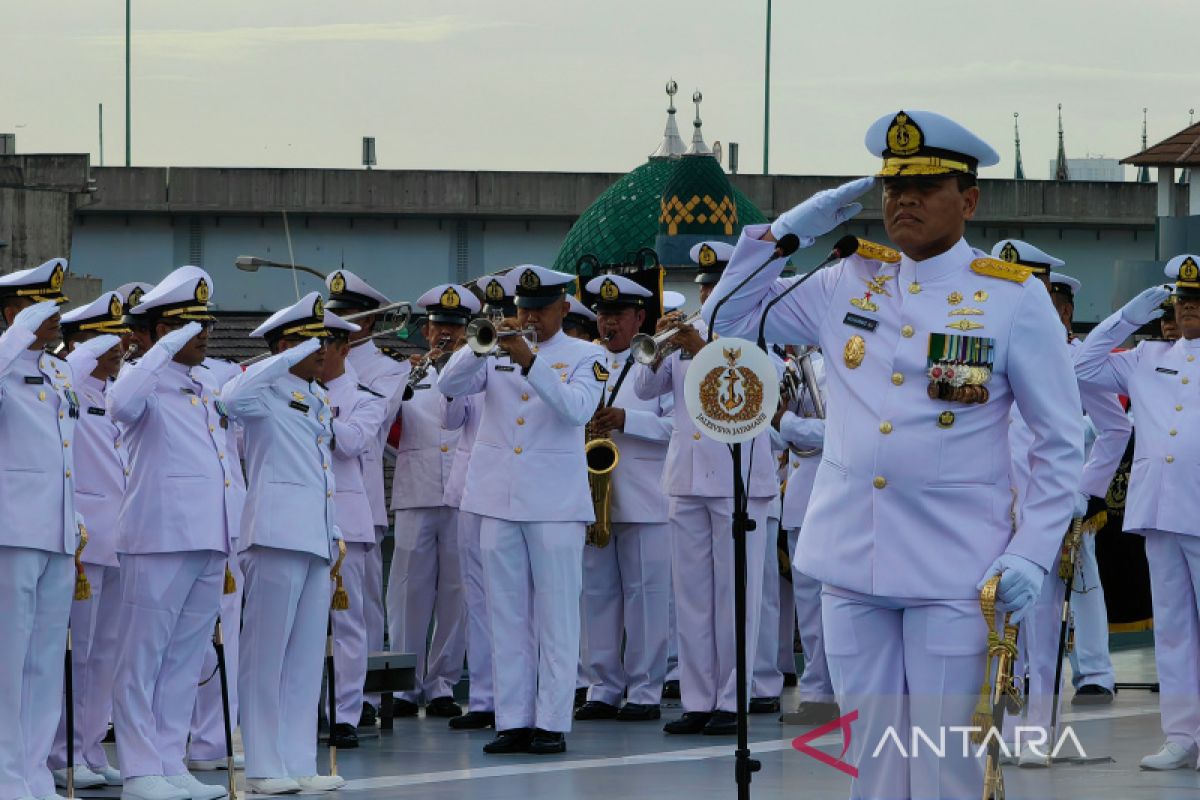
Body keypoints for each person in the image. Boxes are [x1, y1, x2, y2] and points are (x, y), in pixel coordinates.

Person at [702, 110, 1082, 799]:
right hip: (851, 561)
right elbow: (724, 320)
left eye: (924, 186)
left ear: (967, 200)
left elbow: (1059, 444)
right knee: (872, 765)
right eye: (891, 188)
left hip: (954, 569)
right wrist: (790, 229)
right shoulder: (847, 280)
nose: (901, 201)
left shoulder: (1014, 298)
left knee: (945, 767)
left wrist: (1030, 551)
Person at [437, 264, 605, 755]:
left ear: (564, 308)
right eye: (522, 309)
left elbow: (576, 409)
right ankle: (513, 718)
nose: (528, 317)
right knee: (504, 613)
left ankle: (551, 720)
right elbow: (449, 387)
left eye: (538, 310)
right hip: (496, 497)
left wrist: (530, 360)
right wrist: (477, 346)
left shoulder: (587, 356)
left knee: (556, 616)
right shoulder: (493, 349)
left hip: (554, 503)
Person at [633, 241, 778, 737]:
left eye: (718, 286)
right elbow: (644, 392)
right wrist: (657, 349)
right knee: (692, 596)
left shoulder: (760, 331)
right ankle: (697, 700)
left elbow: (761, 392)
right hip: (686, 477)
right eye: (705, 286)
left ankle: (733, 700)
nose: (709, 293)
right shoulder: (683, 332)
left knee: (735, 596)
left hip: (737, 481)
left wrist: (704, 349)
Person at [108, 267, 238, 800]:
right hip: (158, 537)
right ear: (164, 331)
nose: (203, 334)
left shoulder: (202, 383)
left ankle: (169, 759)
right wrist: (162, 348)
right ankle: (140, 769)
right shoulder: (141, 378)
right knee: (143, 658)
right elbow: (119, 406)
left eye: (204, 324)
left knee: (187, 657)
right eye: (190, 325)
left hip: (207, 536)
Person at [1072, 256, 1200, 771]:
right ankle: (1183, 734)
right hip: (1159, 507)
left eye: (1197, 303)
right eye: (1182, 302)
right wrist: (1126, 316)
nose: (1188, 310)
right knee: (1171, 629)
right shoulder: (1146, 356)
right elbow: (1080, 367)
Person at [223, 293, 354, 794]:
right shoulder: (264, 393)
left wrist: (333, 530)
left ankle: (299, 761)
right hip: (275, 535)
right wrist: (278, 357)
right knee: (265, 656)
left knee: (303, 658)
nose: (325, 350)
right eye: (312, 341)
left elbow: (320, 473)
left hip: (315, 539)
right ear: (284, 345)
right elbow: (230, 400)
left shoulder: (315, 396)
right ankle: (261, 765)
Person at [574, 274, 673, 722]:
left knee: (646, 596)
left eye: (616, 316)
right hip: (593, 498)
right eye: (601, 314)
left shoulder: (658, 362)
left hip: (645, 496)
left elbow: (678, 428)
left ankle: (645, 690)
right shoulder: (583, 361)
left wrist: (625, 419)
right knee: (596, 594)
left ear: (639, 318)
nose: (607, 323)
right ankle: (602, 686)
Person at [0, 259, 79, 800]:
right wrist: (15, 335)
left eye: (56, 307)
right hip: (12, 530)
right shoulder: (4, 362)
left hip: (56, 533)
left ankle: (33, 775)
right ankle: (5, 778)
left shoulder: (56, 371)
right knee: (7, 662)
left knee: (45, 662)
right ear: (12, 312)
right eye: (39, 307)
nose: (54, 317)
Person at [47, 293, 130, 789]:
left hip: (119, 536)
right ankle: (62, 751)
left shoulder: (110, 392)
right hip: (82, 540)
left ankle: (91, 746)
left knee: (107, 652)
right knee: (75, 650)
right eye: (107, 336)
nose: (120, 345)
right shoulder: (70, 380)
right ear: (81, 341)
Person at [386, 284, 479, 719]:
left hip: (462, 493)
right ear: (426, 330)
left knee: (455, 592)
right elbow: (383, 430)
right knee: (409, 591)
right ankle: (405, 684)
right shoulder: (404, 372)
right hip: (417, 489)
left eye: (454, 328)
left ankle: (442, 683)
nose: (446, 335)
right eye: (439, 326)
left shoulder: (477, 369)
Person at [329, 270, 406, 727]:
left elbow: (367, 429)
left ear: (370, 323)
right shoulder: (311, 359)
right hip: (315, 497)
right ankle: (324, 702)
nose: (338, 326)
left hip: (361, 493)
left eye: (348, 318)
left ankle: (361, 702)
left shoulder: (388, 368)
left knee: (360, 608)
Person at [443, 274, 516, 731]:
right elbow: (451, 415)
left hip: (511, 491)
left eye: (502, 313)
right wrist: (475, 350)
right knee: (477, 598)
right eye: (489, 317)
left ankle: (514, 699)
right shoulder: (477, 355)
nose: (496, 322)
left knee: (512, 599)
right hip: (470, 490)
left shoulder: (534, 358)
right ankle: (486, 698)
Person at [1050, 272, 1124, 707]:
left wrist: (1086, 485)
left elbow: (1110, 424)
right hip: (1009, 492)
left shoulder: (1081, 360)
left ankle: (1094, 672)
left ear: (1065, 311)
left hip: (1070, 487)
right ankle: (1017, 672)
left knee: (1081, 580)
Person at [319, 311, 389, 749]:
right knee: (303, 627)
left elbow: (350, 443)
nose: (318, 353)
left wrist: (309, 412)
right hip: (299, 523)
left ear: (345, 349)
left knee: (349, 626)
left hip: (348, 525)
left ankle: (345, 713)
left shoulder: (367, 397)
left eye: (326, 344)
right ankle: (305, 709)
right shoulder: (289, 393)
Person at [774, 347, 840, 726]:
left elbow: (843, 433)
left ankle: (840, 690)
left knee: (835, 605)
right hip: (801, 497)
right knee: (809, 607)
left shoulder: (851, 366)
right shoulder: (801, 368)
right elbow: (783, 439)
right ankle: (817, 692)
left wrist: (787, 424)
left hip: (834, 499)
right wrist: (777, 421)